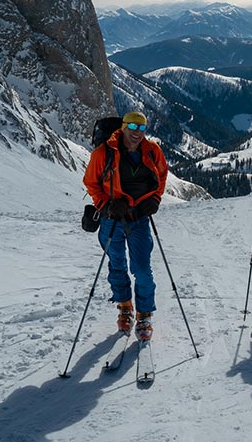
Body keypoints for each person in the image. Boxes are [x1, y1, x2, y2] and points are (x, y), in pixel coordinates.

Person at [83, 110, 168, 341]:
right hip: (112, 219)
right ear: (123, 127)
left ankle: (144, 314)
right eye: (133, 127)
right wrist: (106, 205)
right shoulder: (104, 153)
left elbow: (161, 175)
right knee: (117, 264)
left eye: (142, 128)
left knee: (142, 268)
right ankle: (125, 308)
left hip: (139, 217)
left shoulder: (152, 151)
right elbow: (91, 182)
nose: (137, 133)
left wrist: (155, 199)